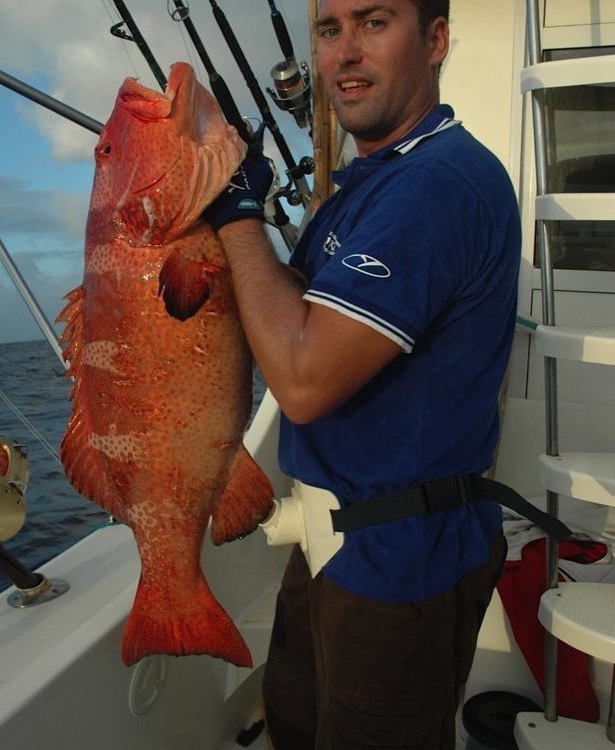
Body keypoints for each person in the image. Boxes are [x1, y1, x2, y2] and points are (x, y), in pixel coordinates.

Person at [204, 1, 521, 747]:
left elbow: (305, 383)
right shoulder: (370, 183)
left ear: (435, 39)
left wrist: (237, 211)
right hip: (334, 543)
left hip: (397, 572)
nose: (344, 53)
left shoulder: (438, 184)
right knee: (294, 723)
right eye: (328, 30)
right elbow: (293, 311)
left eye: (374, 23)